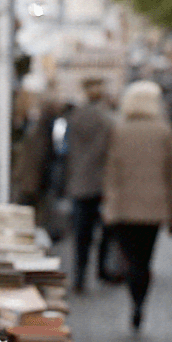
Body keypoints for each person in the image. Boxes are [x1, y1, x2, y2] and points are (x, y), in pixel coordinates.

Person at [101, 81, 172, 331]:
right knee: (145, 258)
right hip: (153, 209)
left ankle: (134, 298)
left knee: (130, 258)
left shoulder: (120, 130)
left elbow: (111, 172)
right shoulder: (164, 131)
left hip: (123, 209)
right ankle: (140, 302)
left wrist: (110, 204)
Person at [65, 78, 113, 292]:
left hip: (80, 182)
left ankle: (80, 274)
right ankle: (102, 270)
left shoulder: (74, 117)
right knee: (105, 232)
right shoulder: (106, 119)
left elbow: (66, 150)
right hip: (101, 182)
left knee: (81, 235)